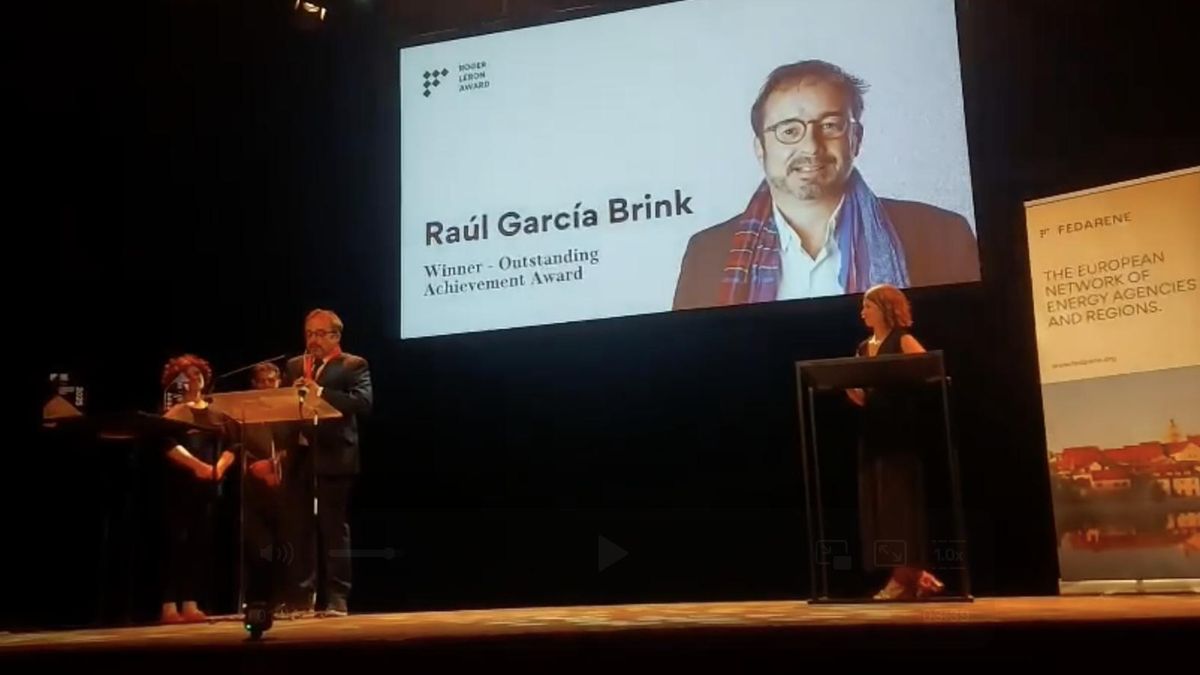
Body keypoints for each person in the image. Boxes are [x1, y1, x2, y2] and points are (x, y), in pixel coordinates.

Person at [673, 60, 979, 310]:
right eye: (789, 131)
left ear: (855, 139)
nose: (811, 146)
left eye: (830, 126)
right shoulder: (706, 254)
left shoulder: (943, 235)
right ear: (760, 148)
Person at [846, 284, 945, 600]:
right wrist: (853, 390)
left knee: (899, 505)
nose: (863, 312)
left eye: (868, 305)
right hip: (873, 433)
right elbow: (862, 395)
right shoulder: (863, 347)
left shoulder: (902, 340)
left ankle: (905, 577)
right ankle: (913, 575)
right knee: (879, 507)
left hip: (900, 433)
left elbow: (930, 373)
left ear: (885, 308)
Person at [284, 309, 372, 617]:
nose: (313, 340)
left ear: (336, 336)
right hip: (302, 457)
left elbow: (362, 403)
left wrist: (320, 392)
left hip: (335, 456)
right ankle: (301, 598)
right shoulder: (295, 365)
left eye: (320, 334)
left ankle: (337, 598)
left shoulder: (352, 364)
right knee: (300, 529)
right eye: (309, 334)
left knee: (333, 528)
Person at [159, 354, 235, 623]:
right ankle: (169, 606)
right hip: (180, 487)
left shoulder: (217, 412)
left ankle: (191, 603)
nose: (195, 378)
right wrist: (197, 466)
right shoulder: (173, 412)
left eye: (198, 373)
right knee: (176, 544)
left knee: (200, 545)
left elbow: (232, 445)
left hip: (209, 487)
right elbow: (166, 444)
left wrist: (219, 468)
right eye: (188, 375)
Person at [240, 362, 308, 617]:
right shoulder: (244, 411)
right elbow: (238, 445)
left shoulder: (290, 410)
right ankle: (258, 600)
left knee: (286, 545)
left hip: (286, 486)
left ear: (280, 382)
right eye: (262, 381)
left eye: (272, 380)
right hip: (253, 487)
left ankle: (288, 599)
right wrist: (256, 467)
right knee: (258, 547)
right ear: (254, 385)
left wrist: (278, 464)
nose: (268, 385)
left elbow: (297, 445)